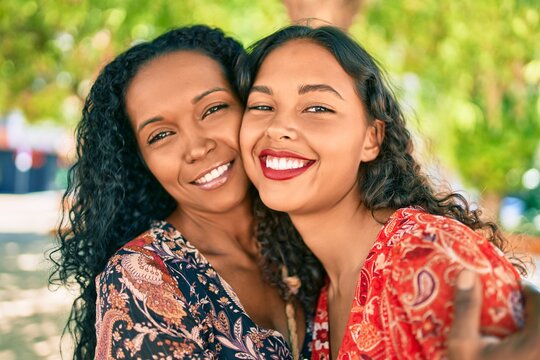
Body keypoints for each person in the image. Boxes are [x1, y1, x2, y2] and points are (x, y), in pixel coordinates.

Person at [239, 25, 529, 359]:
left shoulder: (429, 256)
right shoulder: (320, 298)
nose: (278, 128)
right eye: (262, 106)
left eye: (317, 108)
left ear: (371, 138)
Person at [49, 25, 323, 359]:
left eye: (213, 109)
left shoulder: (308, 233)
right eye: (161, 135)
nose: (196, 147)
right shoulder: (143, 278)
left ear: (254, 106)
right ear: (140, 161)